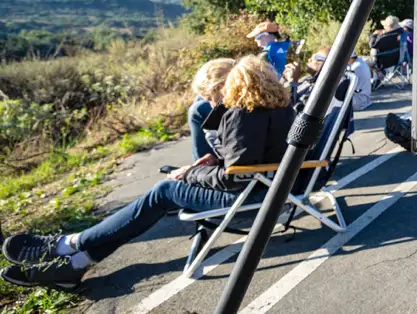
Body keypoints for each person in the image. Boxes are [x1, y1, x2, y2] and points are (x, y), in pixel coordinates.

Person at [1, 56, 295, 291]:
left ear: (229, 87)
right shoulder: (280, 107)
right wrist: (214, 159)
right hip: (274, 191)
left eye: (210, 97)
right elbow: (254, 157)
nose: (210, 104)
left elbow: (235, 177)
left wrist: (189, 174)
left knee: (164, 191)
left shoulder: (242, 114)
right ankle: (74, 264)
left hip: (255, 200)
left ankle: (69, 245)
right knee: (165, 191)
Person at [186, 58, 234, 161]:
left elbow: (234, 160)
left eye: (210, 100)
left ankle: (201, 162)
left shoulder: (240, 114)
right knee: (199, 100)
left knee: (197, 110)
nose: (211, 106)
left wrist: (193, 172)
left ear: (221, 88)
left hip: (234, 167)